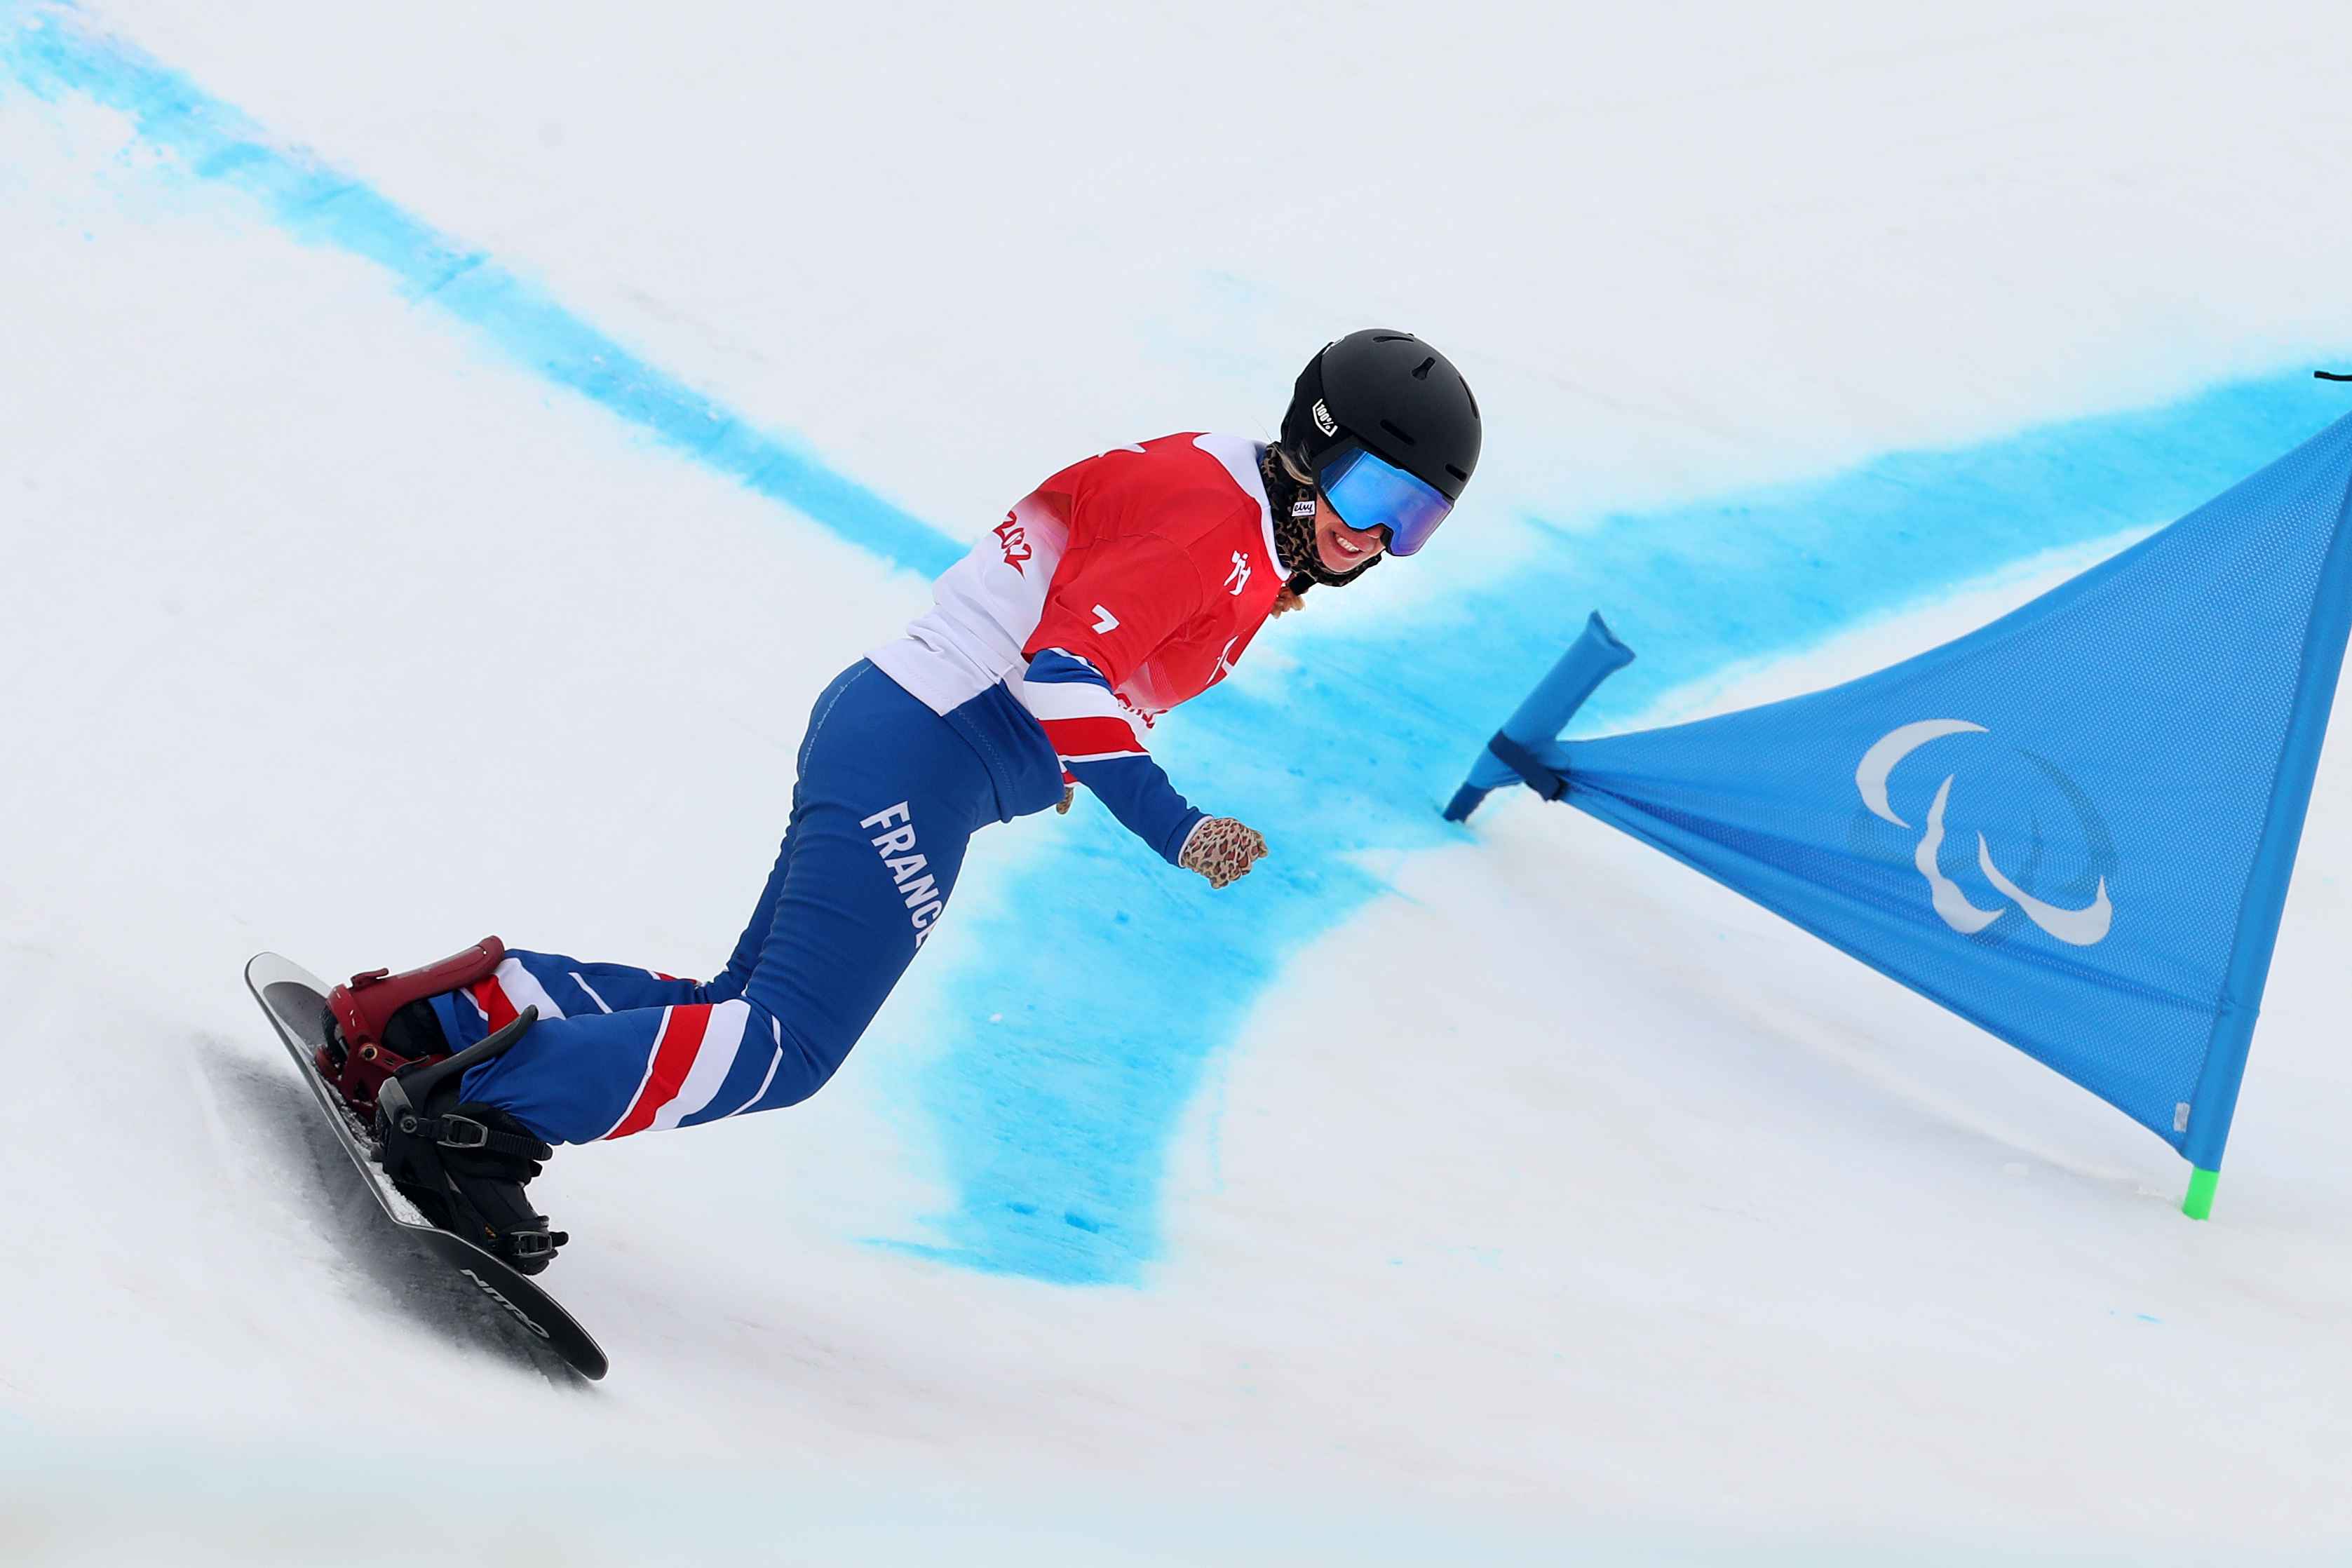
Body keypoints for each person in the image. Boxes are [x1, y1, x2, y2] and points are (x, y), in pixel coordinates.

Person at [316, 329, 1482, 1271]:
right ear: (1307, 445)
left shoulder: (1236, 512)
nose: (1370, 536)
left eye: (1412, 522)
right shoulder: (1211, 524)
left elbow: (1066, 646)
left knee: (740, 1004)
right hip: (919, 754)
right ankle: (479, 1119)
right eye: (1369, 490)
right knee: (787, 1044)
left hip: (909, 735)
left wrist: (1057, 759)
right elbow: (1062, 674)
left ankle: (443, 1024)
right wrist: (1172, 823)